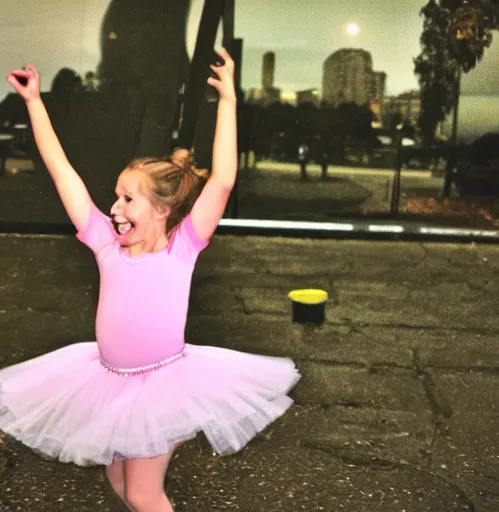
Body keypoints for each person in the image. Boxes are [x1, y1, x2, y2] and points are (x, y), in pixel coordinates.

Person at [0, 50, 300, 512]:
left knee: (143, 492)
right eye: (115, 197)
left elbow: (221, 181)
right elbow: (62, 170)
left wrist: (228, 102)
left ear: (162, 210)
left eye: (127, 199)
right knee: (120, 482)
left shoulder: (183, 248)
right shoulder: (104, 243)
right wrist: (35, 102)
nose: (115, 208)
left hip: (162, 388)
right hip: (108, 381)